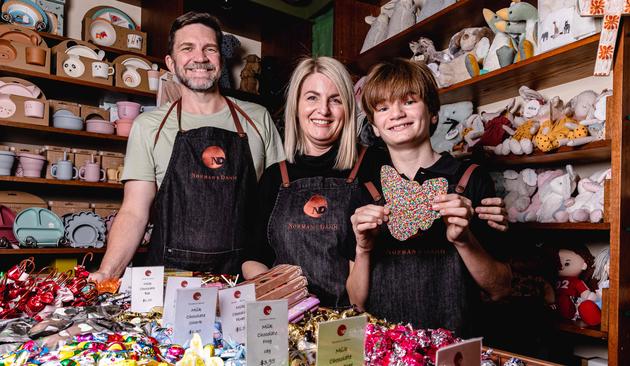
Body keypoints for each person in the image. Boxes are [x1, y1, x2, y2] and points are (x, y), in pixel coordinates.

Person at [91, 12, 284, 281]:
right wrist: (106, 272)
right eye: (187, 48)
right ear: (171, 62)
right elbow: (134, 211)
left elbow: (277, 207)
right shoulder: (149, 126)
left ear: (221, 59)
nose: (200, 58)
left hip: (242, 281)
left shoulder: (258, 118)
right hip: (168, 279)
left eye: (210, 49)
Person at [346, 59, 511, 337]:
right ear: (374, 125)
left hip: (457, 348)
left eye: (409, 101)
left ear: (433, 112)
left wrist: (464, 240)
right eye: (383, 107)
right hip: (387, 349)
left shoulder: (470, 180)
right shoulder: (364, 191)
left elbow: (500, 290)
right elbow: (355, 303)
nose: (396, 113)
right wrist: (363, 249)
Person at [241, 56, 361, 307]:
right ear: (296, 105)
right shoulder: (275, 176)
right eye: (312, 97)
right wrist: (276, 295)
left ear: (348, 108)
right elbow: (252, 257)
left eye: (336, 99)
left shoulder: (369, 168)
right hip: (286, 321)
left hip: (347, 327)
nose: (324, 110)